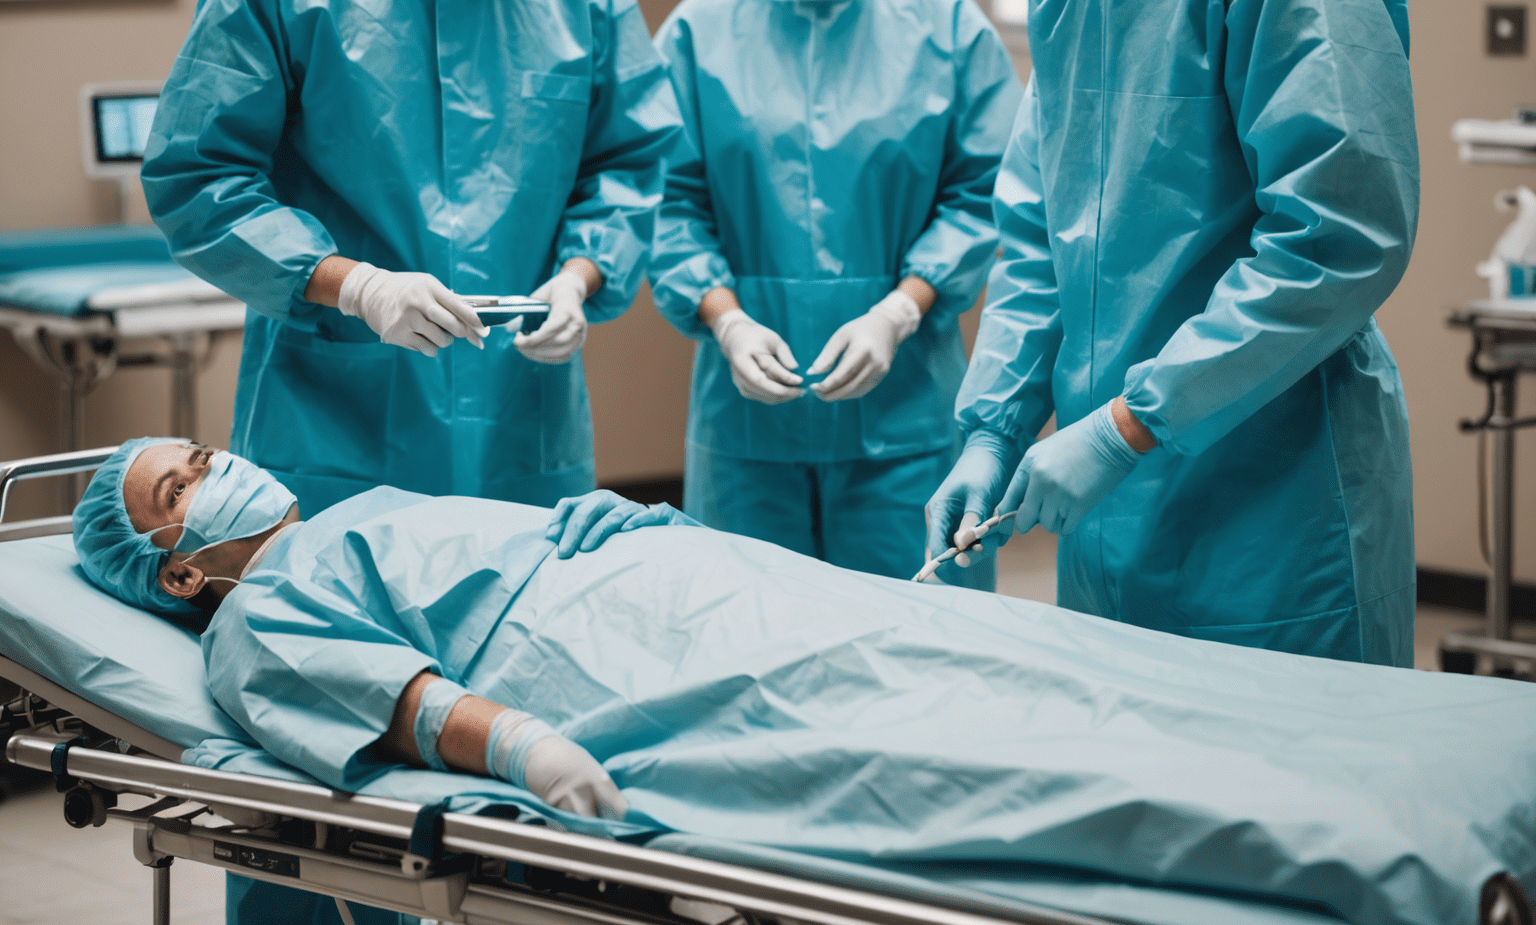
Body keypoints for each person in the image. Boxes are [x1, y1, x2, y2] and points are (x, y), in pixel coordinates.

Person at [68, 437, 1536, 925]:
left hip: (702, 591)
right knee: (1013, 749)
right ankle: (1397, 855)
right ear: (175, 574)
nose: (209, 467)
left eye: (191, 452)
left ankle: (1464, 751)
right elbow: (400, 702)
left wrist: (636, 534)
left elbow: (551, 526)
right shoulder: (260, 618)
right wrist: (525, 756)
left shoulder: (355, 518)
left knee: (1043, 655)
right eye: (173, 490)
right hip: (626, 672)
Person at [921, 0, 1419, 664]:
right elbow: (1038, 227)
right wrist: (994, 424)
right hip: (1117, 505)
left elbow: (1337, 238)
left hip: (1271, 495)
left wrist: (1131, 423)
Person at [142, 0, 680, 519]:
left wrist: (580, 276)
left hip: (521, 415)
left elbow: (628, 158)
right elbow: (199, 180)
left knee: (526, 629)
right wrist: (353, 285)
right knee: (348, 637)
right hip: (337, 410)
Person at [648, 0, 1021, 584]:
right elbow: (667, 203)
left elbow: (984, 192)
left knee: (924, 646)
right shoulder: (696, 35)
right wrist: (727, 320)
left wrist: (900, 309)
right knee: (749, 644)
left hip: (906, 413)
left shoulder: (946, 26)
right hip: (748, 422)